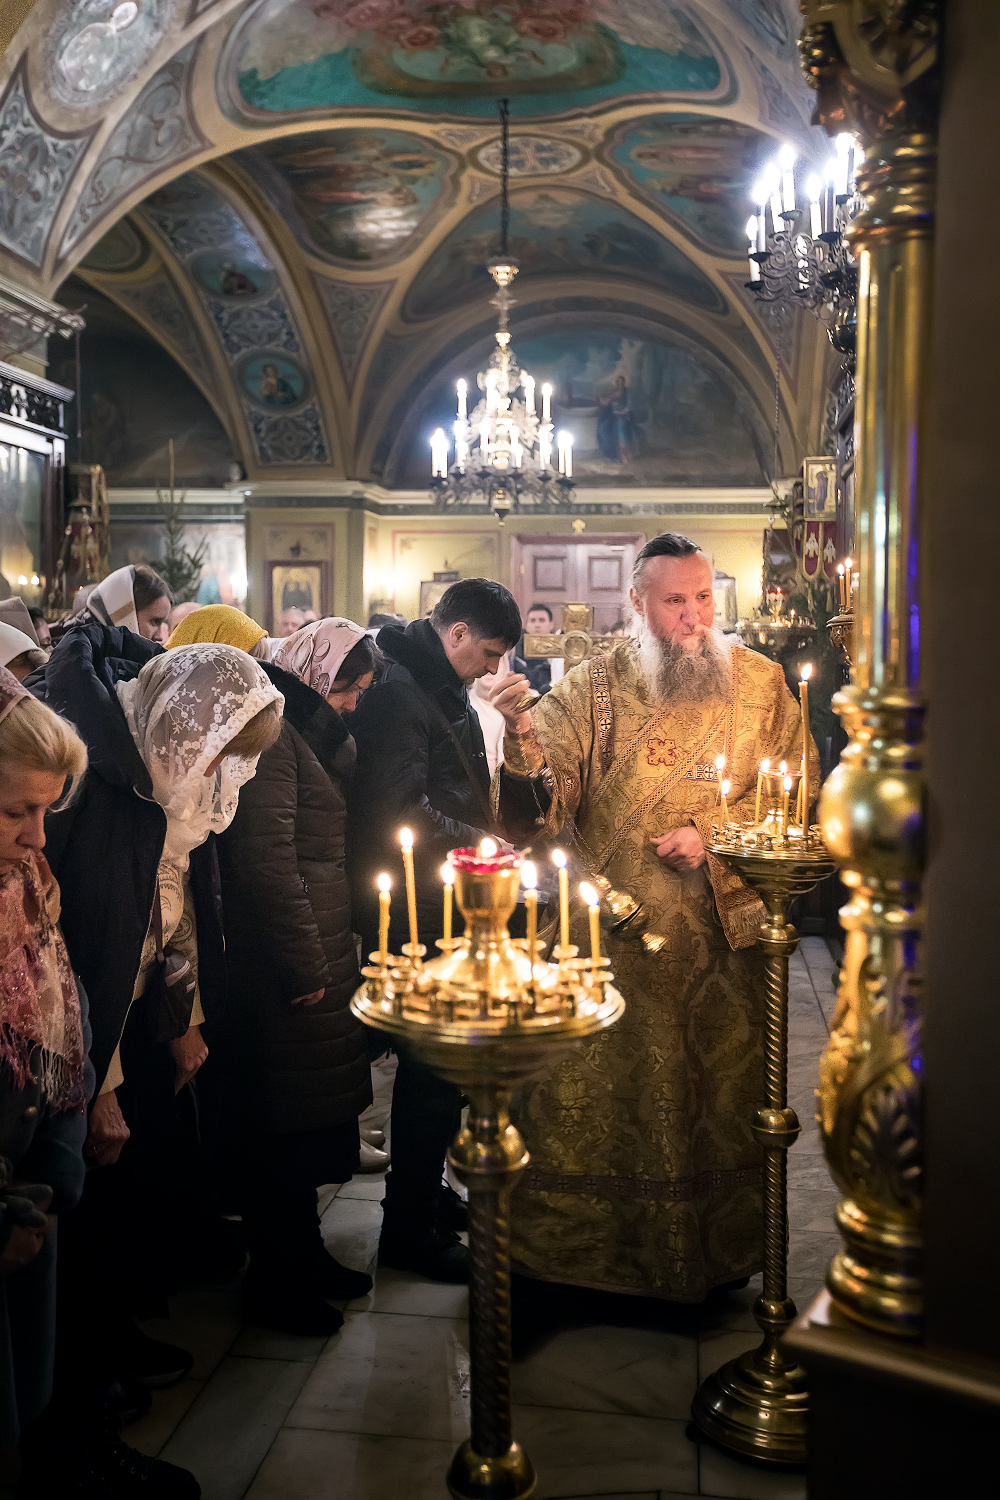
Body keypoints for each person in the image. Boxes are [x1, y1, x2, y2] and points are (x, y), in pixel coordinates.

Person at [492, 533, 818, 1303]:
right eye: (675, 600)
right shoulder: (593, 689)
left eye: (704, 598)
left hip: (719, 952)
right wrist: (521, 738)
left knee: (715, 1109)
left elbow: (797, 796)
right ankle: (575, 1273)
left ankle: (708, 1263)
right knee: (588, 1109)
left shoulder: (763, 684)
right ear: (637, 604)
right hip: (610, 945)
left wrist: (715, 840)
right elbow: (540, 810)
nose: (694, 616)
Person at [32, 629, 281, 1481]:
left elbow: (164, 915)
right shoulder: (89, 788)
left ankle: (109, 1355)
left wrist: (181, 1014)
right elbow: (68, 949)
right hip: (73, 1037)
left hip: (131, 1015)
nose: (217, 776)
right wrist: (97, 1084)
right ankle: (78, 1413)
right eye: (216, 753)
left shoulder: (166, 781)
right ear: (182, 724)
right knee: (83, 1209)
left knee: (120, 1199)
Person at [194, 615, 381, 1336]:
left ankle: (305, 1254)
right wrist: (306, 959)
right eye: (347, 691)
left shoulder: (303, 728)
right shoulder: (273, 736)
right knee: (278, 1136)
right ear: (314, 675)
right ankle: (275, 1281)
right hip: (283, 966)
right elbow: (265, 864)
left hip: (320, 944)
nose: (354, 705)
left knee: (303, 1132)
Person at [348, 578, 523, 1282]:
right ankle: (407, 1230)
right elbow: (398, 811)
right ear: (454, 634)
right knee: (426, 1075)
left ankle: (429, 1199)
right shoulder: (398, 691)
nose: (490, 669)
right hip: (417, 912)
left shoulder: (433, 682)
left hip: (443, 899)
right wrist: (484, 845)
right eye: (485, 653)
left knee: (443, 1075)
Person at [0, 670, 88, 1456]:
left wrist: (53, 1184)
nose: (38, 837)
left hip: (30, 1193)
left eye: (47, 809)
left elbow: (62, 1018)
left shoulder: (24, 880)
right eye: (15, 811)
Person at [73, 564, 173, 644]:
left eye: (163, 623)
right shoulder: (77, 653)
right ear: (126, 615)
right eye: (154, 621)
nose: (159, 636)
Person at [519, 602, 555, 695]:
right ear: (526, 625)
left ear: (551, 624)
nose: (537, 625)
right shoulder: (516, 649)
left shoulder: (563, 646)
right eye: (532, 620)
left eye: (542, 620)